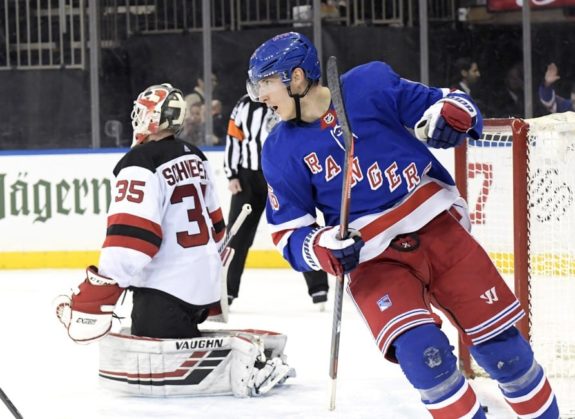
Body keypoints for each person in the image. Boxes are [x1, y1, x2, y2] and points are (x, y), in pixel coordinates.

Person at [247, 32, 559, 417]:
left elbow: (452, 102)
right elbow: (288, 235)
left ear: (296, 78)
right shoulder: (279, 150)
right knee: (425, 360)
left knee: (504, 351)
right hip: (374, 260)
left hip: (438, 229)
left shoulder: (370, 84)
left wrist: (452, 115)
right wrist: (323, 245)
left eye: (265, 83)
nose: (259, 96)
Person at [55, 83, 293, 397]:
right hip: (202, 292)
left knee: (155, 386)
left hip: (163, 294)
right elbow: (217, 228)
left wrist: (98, 292)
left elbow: (131, 240)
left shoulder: (138, 163)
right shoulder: (196, 156)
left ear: (150, 119)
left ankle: (244, 366)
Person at [224, 93, 329, 307]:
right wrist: (232, 174)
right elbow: (233, 137)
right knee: (237, 234)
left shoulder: (287, 102)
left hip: (281, 173)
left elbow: (300, 137)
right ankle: (226, 291)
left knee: (299, 224)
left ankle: (318, 288)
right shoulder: (243, 104)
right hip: (248, 178)